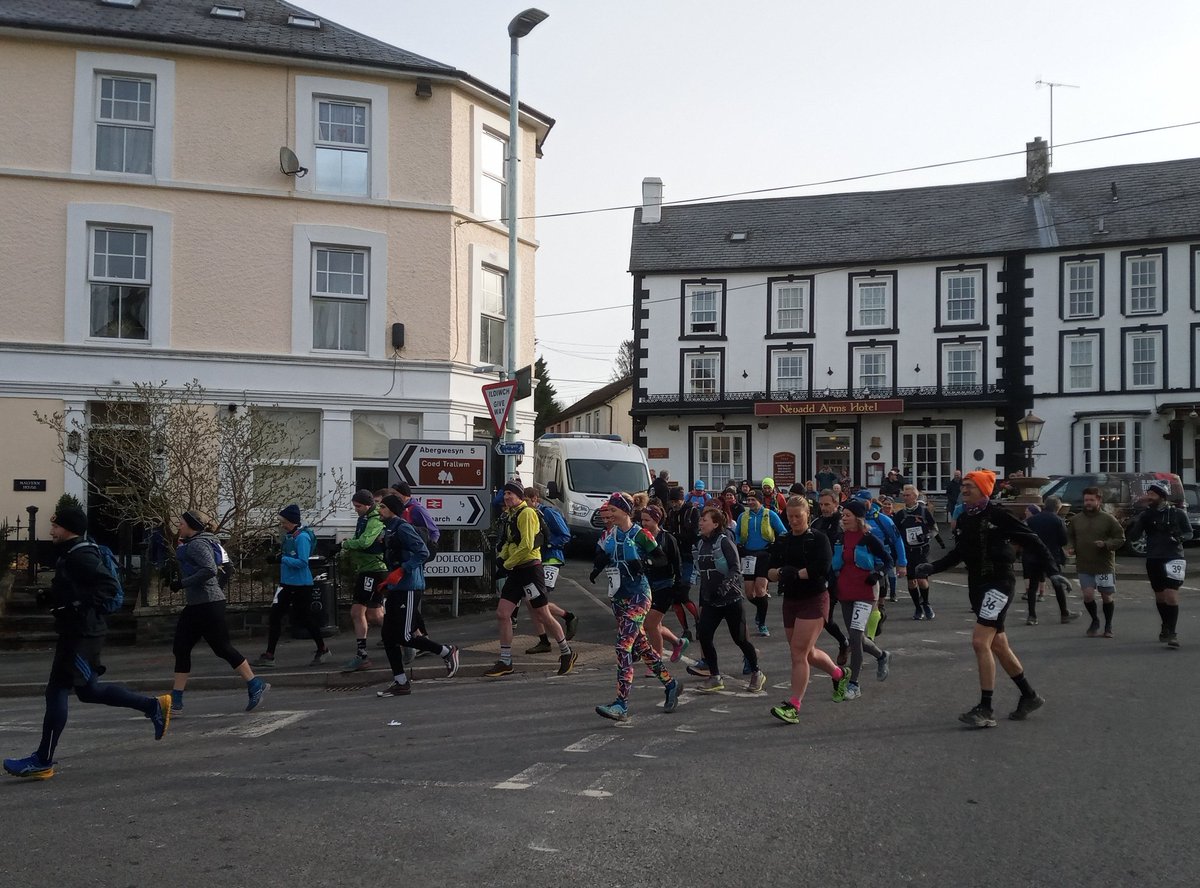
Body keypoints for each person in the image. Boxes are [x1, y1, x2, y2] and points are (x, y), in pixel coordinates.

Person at [3, 507, 170, 780]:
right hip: (80, 631)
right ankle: (153, 706)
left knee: (56, 690)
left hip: (81, 634)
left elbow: (107, 588)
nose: (51, 530)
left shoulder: (81, 554)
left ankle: (43, 759)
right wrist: (53, 597)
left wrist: (75, 605)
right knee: (88, 691)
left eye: (55, 526)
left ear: (68, 528)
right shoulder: (74, 552)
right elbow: (79, 587)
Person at [915, 470, 1053, 727]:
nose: (964, 489)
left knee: (980, 642)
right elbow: (959, 553)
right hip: (977, 587)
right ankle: (1029, 695)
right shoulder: (967, 516)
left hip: (999, 585)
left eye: (969, 486)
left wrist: (1054, 572)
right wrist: (932, 568)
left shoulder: (998, 514)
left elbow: (1032, 540)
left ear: (983, 489)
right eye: (964, 485)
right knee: (999, 645)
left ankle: (986, 708)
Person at [588, 494, 680, 721]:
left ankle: (621, 704)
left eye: (613, 510)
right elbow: (604, 555)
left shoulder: (640, 534)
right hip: (618, 598)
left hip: (639, 596)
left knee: (623, 647)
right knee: (642, 648)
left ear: (625, 511)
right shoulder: (610, 534)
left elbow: (661, 559)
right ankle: (671, 684)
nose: (608, 513)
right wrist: (598, 566)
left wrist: (644, 563)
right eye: (608, 510)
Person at [169, 510, 268, 714]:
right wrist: (217, 590)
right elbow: (228, 567)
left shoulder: (197, 544)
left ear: (191, 526)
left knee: (220, 647)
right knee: (182, 647)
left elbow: (209, 570)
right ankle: (176, 699)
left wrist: (182, 583)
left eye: (181, 523)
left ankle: (254, 683)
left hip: (205, 605)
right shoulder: (212, 541)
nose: (178, 526)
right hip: (204, 603)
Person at [767, 496, 849, 724]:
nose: (793, 521)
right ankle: (839, 674)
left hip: (814, 598)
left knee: (798, 653)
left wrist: (796, 573)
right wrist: (780, 573)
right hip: (791, 600)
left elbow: (822, 567)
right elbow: (770, 570)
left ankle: (793, 705)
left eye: (798, 516)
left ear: (807, 515)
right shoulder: (783, 539)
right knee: (807, 652)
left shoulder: (818, 539)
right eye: (790, 517)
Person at [486, 481, 577, 677]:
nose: (507, 497)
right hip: (517, 570)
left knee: (542, 613)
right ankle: (505, 660)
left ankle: (566, 652)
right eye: (505, 494)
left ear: (520, 496)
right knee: (503, 613)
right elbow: (511, 542)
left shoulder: (526, 514)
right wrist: (502, 559)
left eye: (511, 494)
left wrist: (507, 563)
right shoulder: (510, 514)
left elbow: (528, 545)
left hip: (530, 570)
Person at [373, 495, 460, 696]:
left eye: (383, 507)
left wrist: (402, 570)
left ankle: (447, 651)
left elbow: (422, 552)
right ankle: (401, 682)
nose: (380, 510)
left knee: (404, 636)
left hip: (410, 588)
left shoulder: (403, 527)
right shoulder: (388, 528)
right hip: (396, 588)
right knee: (388, 637)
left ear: (393, 509)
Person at [686, 507, 764, 693]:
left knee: (740, 639)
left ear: (715, 523)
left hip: (731, 600)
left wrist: (723, 588)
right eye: (700, 520)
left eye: (704, 520)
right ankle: (715, 677)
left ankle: (756, 672)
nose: (700, 522)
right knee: (704, 636)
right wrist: (704, 597)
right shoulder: (700, 544)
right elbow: (703, 575)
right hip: (711, 601)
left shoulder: (724, 541)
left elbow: (735, 569)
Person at [254, 504, 331, 668]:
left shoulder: (302, 537)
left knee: (305, 618)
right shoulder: (290, 536)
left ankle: (322, 648)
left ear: (292, 521)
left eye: (284, 522)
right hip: (287, 583)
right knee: (275, 616)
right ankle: (269, 654)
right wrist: (279, 557)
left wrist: (281, 559)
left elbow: (303, 562)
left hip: (301, 584)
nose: (282, 525)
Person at [830, 499, 892, 701]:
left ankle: (854, 683)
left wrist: (878, 574)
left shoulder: (868, 538)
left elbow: (888, 561)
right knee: (857, 638)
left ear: (857, 518)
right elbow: (834, 563)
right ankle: (882, 655)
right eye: (843, 515)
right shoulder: (840, 537)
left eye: (847, 515)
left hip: (865, 592)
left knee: (855, 637)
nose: (844, 518)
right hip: (846, 591)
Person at [1125, 481, 1192, 648]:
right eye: (1148, 494)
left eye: (1152, 494)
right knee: (1160, 596)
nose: (1148, 497)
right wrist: (1134, 524)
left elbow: (1189, 532)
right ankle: (1165, 625)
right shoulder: (1146, 515)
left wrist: (1180, 538)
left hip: (1174, 556)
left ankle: (1173, 633)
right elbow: (1133, 537)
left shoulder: (1177, 513)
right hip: (1154, 557)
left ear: (1161, 497)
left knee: (1171, 595)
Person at [522, 488, 580, 652]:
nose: (524, 504)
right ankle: (548, 635)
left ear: (535, 499)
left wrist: (546, 543)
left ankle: (565, 620)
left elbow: (565, 535)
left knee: (536, 600)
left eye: (526, 500)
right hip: (536, 559)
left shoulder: (548, 513)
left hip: (552, 558)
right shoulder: (525, 514)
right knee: (531, 600)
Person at [1065, 486, 1126, 638]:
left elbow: (1120, 538)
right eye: (1086, 500)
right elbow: (1070, 537)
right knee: (1088, 596)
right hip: (1084, 564)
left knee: (1106, 596)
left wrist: (1106, 544)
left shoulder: (1108, 519)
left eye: (1091, 500)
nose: (1088, 503)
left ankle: (1108, 625)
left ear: (1099, 500)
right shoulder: (1076, 519)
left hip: (1104, 565)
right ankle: (1095, 620)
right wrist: (1070, 547)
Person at [339, 490, 389, 672]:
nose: (356, 509)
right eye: (354, 506)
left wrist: (345, 544)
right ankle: (404, 639)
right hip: (366, 569)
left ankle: (363, 655)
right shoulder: (364, 519)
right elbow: (359, 539)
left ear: (368, 505)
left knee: (359, 611)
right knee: (372, 614)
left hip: (374, 570)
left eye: (358, 506)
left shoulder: (375, 520)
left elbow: (365, 542)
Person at [640, 505, 690, 664]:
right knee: (655, 625)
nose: (643, 523)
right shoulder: (641, 537)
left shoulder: (667, 538)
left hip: (665, 585)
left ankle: (656, 661)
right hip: (647, 585)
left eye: (647, 520)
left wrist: (678, 584)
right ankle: (678, 642)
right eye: (642, 520)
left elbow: (677, 562)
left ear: (657, 520)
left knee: (650, 624)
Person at [736, 489, 787, 637]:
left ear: (760, 501)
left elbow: (783, 532)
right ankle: (761, 609)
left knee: (760, 590)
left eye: (753, 500)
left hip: (764, 555)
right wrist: (739, 544)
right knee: (749, 593)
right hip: (748, 555)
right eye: (749, 500)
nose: (750, 502)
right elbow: (738, 533)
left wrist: (775, 546)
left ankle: (762, 624)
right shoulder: (743, 516)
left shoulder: (770, 514)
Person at [1023, 497, 1077, 626]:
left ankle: (1032, 615)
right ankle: (1064, 613)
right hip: (1051, 557)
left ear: (1045, 505)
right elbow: (1063, 541)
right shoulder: (1058, 520)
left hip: (1034, 556)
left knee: (1033, 586)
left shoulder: (1031, 520)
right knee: (1057, 585)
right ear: (1057, 508)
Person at [812, 490, 850, 665]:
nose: (824, 508)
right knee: (826, 619)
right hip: (824, 578)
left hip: (844, 576)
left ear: (836, 504)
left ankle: (862, 645)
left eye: (827, 504)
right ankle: (843, 642)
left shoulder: (844, 523)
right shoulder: (816, 523)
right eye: (821, 504)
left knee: (852, 619)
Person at [895, 484, 943, 620]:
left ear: (915, 497)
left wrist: (927, 536)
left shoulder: (923, 511)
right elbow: (895, 535)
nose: (905, 498)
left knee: (922, 579)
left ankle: (926, 604)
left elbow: (934, 528)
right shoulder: (900, 514)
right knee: (912, 582)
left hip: (922, 550)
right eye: (903, 495)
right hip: (908, 551)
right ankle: (917, 607)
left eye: (908, 495)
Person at [664, 486, 702, 639]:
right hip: (674, 558)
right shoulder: (672, 513)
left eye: (677, 501)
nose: (674, 504)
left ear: (682, 499)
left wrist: (675, 536)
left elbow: (692, 534)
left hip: (688, 557)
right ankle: (685, 629)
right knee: (675, 599)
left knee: (683, 594)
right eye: (672, 501)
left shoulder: (692, 511)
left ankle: (699, 622)